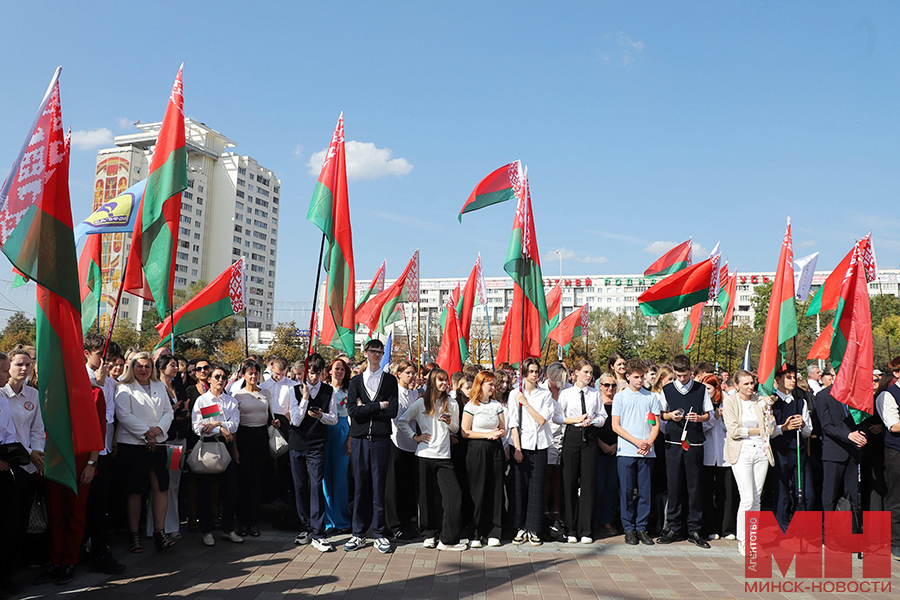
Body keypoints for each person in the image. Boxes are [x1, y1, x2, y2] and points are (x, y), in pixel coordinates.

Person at [397, 368, 465, 550]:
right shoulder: (421, 403)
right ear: (433, 382)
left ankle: (448, 539)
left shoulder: (452, 403)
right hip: (424, 455)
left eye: (446, 380)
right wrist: (414, 437)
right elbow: (402, 420)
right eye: (441, 380)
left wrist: (449, 422)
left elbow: (457, 428)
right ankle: (428, 534)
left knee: (453, 496)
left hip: (444, 456)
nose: (444, 384)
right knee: (425, 497)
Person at [114, 352, 175, 553]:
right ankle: (133, 534)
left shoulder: (159, 386)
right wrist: (146, 434)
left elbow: (168, 412)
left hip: (158, 443)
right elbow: (124, 415)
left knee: (161, 487)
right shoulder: (124, 387)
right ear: (132, 367)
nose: (143, 370)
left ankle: (160, 531)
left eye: (147, 366)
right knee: (135, 491)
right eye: (139, 366)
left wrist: (157, 431)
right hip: (133, 445)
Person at [345, 339, 399, 554]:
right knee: (360, 487)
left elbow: (392, 411)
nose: (376, 355)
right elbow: (352, 411)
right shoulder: (356, 381)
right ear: (365, 353)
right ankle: (358, 533)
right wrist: (377, 406)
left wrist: (365, 408)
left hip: (380, 440)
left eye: (380, 352)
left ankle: (379, 533)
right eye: (373, 351)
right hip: (359, 441)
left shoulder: (389, 381)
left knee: (379, 487)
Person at [657, 355, 713, 548]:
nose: (682, 378)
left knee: (695, 487)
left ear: (691, 371)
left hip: (694, 443)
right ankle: (673, 527)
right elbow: (661, 414)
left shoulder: (701, 389)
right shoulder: (667, 390)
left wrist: (698, 418)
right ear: (674, 370)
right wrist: (671, 416)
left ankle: (694, 529)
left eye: (685, 375)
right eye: (679, 375)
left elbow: (708, 415)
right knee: (674, 486)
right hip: (673, 442)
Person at [82, 338, 125, 575]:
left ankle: (100, 551)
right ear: (87, 353)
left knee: (100, 504)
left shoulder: (108, 381)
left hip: (103, 450)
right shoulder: (80, 376)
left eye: (108, 357)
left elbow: (108, 417)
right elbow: (87, 417)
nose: (106, 362)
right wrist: (96, 386)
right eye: (101, 355)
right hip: (84, 451)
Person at [288, 353, 338, 552]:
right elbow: (295, 421)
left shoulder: (328, 391)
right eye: (310, 373)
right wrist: (305, 398)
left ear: (323, 373)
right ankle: (305, 527)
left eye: (317, 373)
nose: (314, 377)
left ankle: (319, 532)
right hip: (297, 444)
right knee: (300, 486)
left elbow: (333, 418)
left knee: (316, 486)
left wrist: (321, 416)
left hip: (317, 444)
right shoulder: (294, 390)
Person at [724, 370, 775, 556]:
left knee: (757, 496)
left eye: (752, 383)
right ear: (736, 385)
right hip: (741, 451)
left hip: (761, 451)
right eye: (745, 384)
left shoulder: (759, 401)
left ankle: (753, 538)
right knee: (747, 498)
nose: (750, 387)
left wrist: (768, 416)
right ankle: (743, 540)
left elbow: (770, 428)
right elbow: (734, 431)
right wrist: (758, 430)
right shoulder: (730, 401)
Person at [191, 364, 243, 546]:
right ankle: (206, 531)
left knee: (230, 491)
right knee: (205, 491)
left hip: (226, 447)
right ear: (210, 379)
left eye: (223, 377)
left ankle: (228, 529)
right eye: (217, 377)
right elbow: (198, 428)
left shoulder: (231, 402)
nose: (220, 380)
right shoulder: (202, 401)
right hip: (207, 448)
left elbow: (235, 425)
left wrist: (215, 424)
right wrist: (220, 427)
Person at [555, 359, 606, 544]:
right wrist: (574, 419)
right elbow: (558, 417)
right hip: (573, 435)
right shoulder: (566, 393)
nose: (589, 375)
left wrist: (593, 421)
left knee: (588, 483)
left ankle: (586, 529)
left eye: (590, 372)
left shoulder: (595, 394)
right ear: (575, 373)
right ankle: (570, 528)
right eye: (585, 372)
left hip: (590, 437)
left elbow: (603, 416)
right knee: (568, 482)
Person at [611, 358, 660, 546]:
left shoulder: (651, 397)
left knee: (645, 492)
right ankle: (628, 528)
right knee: (627, 491)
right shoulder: (620, 397)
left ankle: (642, 527)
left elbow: (655, 424)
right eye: (637, 377)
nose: (640, 380)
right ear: (628, 376)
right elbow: (616, 425)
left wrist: (648, 442)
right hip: (626, 451)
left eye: (642, 377)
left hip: (647, 451)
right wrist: (635, 441)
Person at [508, 358, 556, 546]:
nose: (535, 375)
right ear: (524, 373)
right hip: (521, 445)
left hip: (539, 446)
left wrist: (526, 403)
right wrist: (517, 448)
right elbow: (513, 423)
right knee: (519, 488)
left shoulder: (544, 395)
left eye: (537, 371)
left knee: (537, 489)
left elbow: (542, 420)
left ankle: (534, 528)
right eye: (531, 371)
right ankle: (520, 527)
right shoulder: (514, 394)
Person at [145, 354, 189, 541]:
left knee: (173, 484)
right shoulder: (155, 388)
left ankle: (170, 525)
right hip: (163, 442)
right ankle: (156, 527)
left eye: (176, 365)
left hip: (178, 441)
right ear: (161, 368)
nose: (176, 368)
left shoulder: (178, 387)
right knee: (159, 485)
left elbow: (187, 409)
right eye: (172, 365)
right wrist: (171, 414)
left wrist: (181, 413)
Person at [461, 371, 506, 548]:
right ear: (480, 385)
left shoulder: (497, 405)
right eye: (490, 384)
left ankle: (494, 531)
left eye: (494, 384)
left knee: (494, 489)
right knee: (476, 490)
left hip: (495, 449)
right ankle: (475, 533)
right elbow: (465, 432)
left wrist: (498, 433)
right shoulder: (471, 406)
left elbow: (503, 427)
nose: (493, 388)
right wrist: (486, 434)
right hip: (477, 449)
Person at [768, 363, 813, 532]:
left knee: (806, 492)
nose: (793, 381)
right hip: (780, 451)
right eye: (788, 377)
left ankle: (801, 524)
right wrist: (784, 428)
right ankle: (782, 526)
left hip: (799, 451)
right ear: (778, 379)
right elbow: (768, 432)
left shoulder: (800, 402)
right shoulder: (771, 402)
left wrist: (802, 425)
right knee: (782, 492)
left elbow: (809, 430)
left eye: (794, 377)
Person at [233, 358, 274, 538]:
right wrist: (234, 447)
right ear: (244, 375)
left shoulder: (266, 393)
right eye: (250, 373)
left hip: (261, 437)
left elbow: (269, 415)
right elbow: (234, 423)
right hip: (243, 437)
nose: (254, 376)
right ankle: (242, 522)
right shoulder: (237, 395)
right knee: (243, 481)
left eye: (256, 373)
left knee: (257, 481)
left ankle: (253, 521)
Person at [700, 373, 736, 541]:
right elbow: (702, 428)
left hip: (724, 455)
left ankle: (727, 528)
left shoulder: (727, 402)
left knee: (726, 493)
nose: (706, 392)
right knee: (707, 494)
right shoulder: (701, 404)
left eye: (709, 388)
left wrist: (723, 418)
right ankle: (709, 527)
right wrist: (713, 418)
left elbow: (732, 428)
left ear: (716, 389)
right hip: (707, 454)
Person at [386, 360, 419, 540]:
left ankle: (406, 522)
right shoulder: (395, 393)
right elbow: (399, 419)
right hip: (397, 441)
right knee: (394, 487)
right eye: (407, 372)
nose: (411, 376)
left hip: (412, 445)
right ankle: (394, 524)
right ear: (398, 374)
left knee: (407, 487)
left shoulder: (414, 394)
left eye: (413, 372)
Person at [323, 358, 352, 534]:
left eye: (342, 369)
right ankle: (328, 522)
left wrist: (350, 439)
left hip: (343, 431)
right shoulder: (324, 389)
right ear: (330, 371)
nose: (338, 372)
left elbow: (353, 416)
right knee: (325, 478)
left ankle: (342, 521)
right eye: (336, 369)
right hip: (325, 432)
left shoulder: (349, 391)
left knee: (340, 478)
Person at [876, 357, 900, 561]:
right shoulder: (887, 395)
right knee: (896, 498)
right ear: (897, 374)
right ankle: (896, 543)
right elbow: (893, 425)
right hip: (896, 453)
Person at [594, 372, 620, 537]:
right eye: (606, 385)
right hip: (598, 449)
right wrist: (602, 445)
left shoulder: (619, 402)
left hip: (616, 449)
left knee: (611, 488)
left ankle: (607, 520)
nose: (610, 388)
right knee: (598, 487)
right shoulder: (595, 402)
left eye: (613, 385)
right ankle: (594, 520)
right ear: (600, 386)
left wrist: (617, 444)